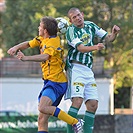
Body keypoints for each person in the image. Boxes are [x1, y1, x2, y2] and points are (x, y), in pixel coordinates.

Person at [7, 16, 84, 133]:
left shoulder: (53, 42)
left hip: (56, 82)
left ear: (45, 31)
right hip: (50, 81)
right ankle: (75, 122)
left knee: (42, 108)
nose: (38, 28)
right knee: (42, 119)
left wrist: (26, 58)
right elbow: (28, 44)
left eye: (40, 26)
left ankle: (75, 122)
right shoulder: (43, 39)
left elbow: (45, 56)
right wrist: (15, 47)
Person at [65, 7, 120, 133]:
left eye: (79, 15)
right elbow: (81, 48)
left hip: (88, 70)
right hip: (76, 67)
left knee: (93, 104)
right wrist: (95, 47)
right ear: (71, 20)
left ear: (82, 14)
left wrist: (114, 33)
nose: (78, 18)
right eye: (74, 17)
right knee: (77, 101)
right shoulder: (71, 31)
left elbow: (108, 38)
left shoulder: (91, 25)